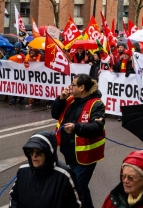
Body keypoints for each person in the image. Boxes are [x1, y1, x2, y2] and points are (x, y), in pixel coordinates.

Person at [51, 74, 106, 208]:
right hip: (70, 154)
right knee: (81, 190)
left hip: (85, 157)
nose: (70, 87)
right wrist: (60, 100)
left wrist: (76, 127)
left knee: (73, 191)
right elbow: (55, 115)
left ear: (82, 88)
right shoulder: (70, 99)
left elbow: (97, 127)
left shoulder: (96, 104)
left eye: (73, 85)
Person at [10, 131, 81, 208]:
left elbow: (76, 205)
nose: (34, 156)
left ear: (48, 154)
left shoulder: (64, 175)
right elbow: (13, 197)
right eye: (31, 151)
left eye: (39, 152)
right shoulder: (23, 171)